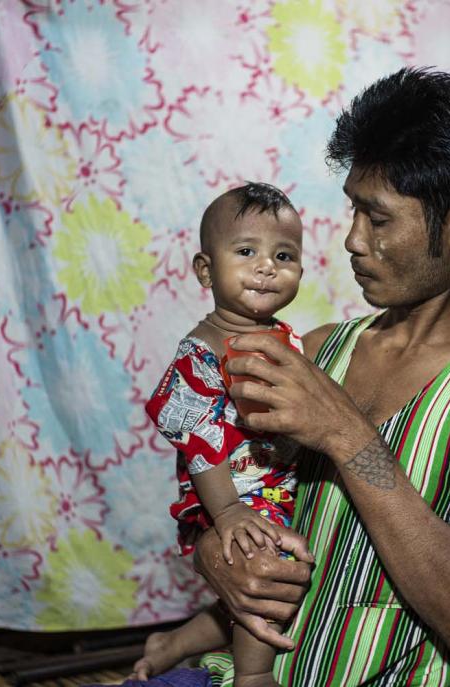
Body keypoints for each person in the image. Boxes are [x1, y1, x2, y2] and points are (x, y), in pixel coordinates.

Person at [152, 67, 450, 686]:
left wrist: (347, 436)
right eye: (353, 210)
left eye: (377, 219)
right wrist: (219, 551)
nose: (352, 240)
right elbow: (226, 484)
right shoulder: (314, 352)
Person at [135, 182, 315, 687]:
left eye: (284, 254)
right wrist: (228, 512)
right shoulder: (203, 350)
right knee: (268, 578)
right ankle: (253, 677)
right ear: (206, 270)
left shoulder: (287, 338)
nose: (266, 266)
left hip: (274, 487)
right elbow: (188, 430)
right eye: (246, 252)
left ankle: (171, 644)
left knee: (263, 590)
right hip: (225, 495)